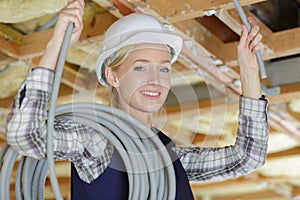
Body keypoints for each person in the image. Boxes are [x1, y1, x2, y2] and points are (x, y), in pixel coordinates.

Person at [6, 0, 269, 199]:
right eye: (140, 67)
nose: (155, 79)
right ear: (112, 76)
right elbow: (24, 136)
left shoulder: (169, 154)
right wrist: (55, 45)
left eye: (164, 68)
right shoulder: (97, 142)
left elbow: (247, 157)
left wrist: (247, 72)